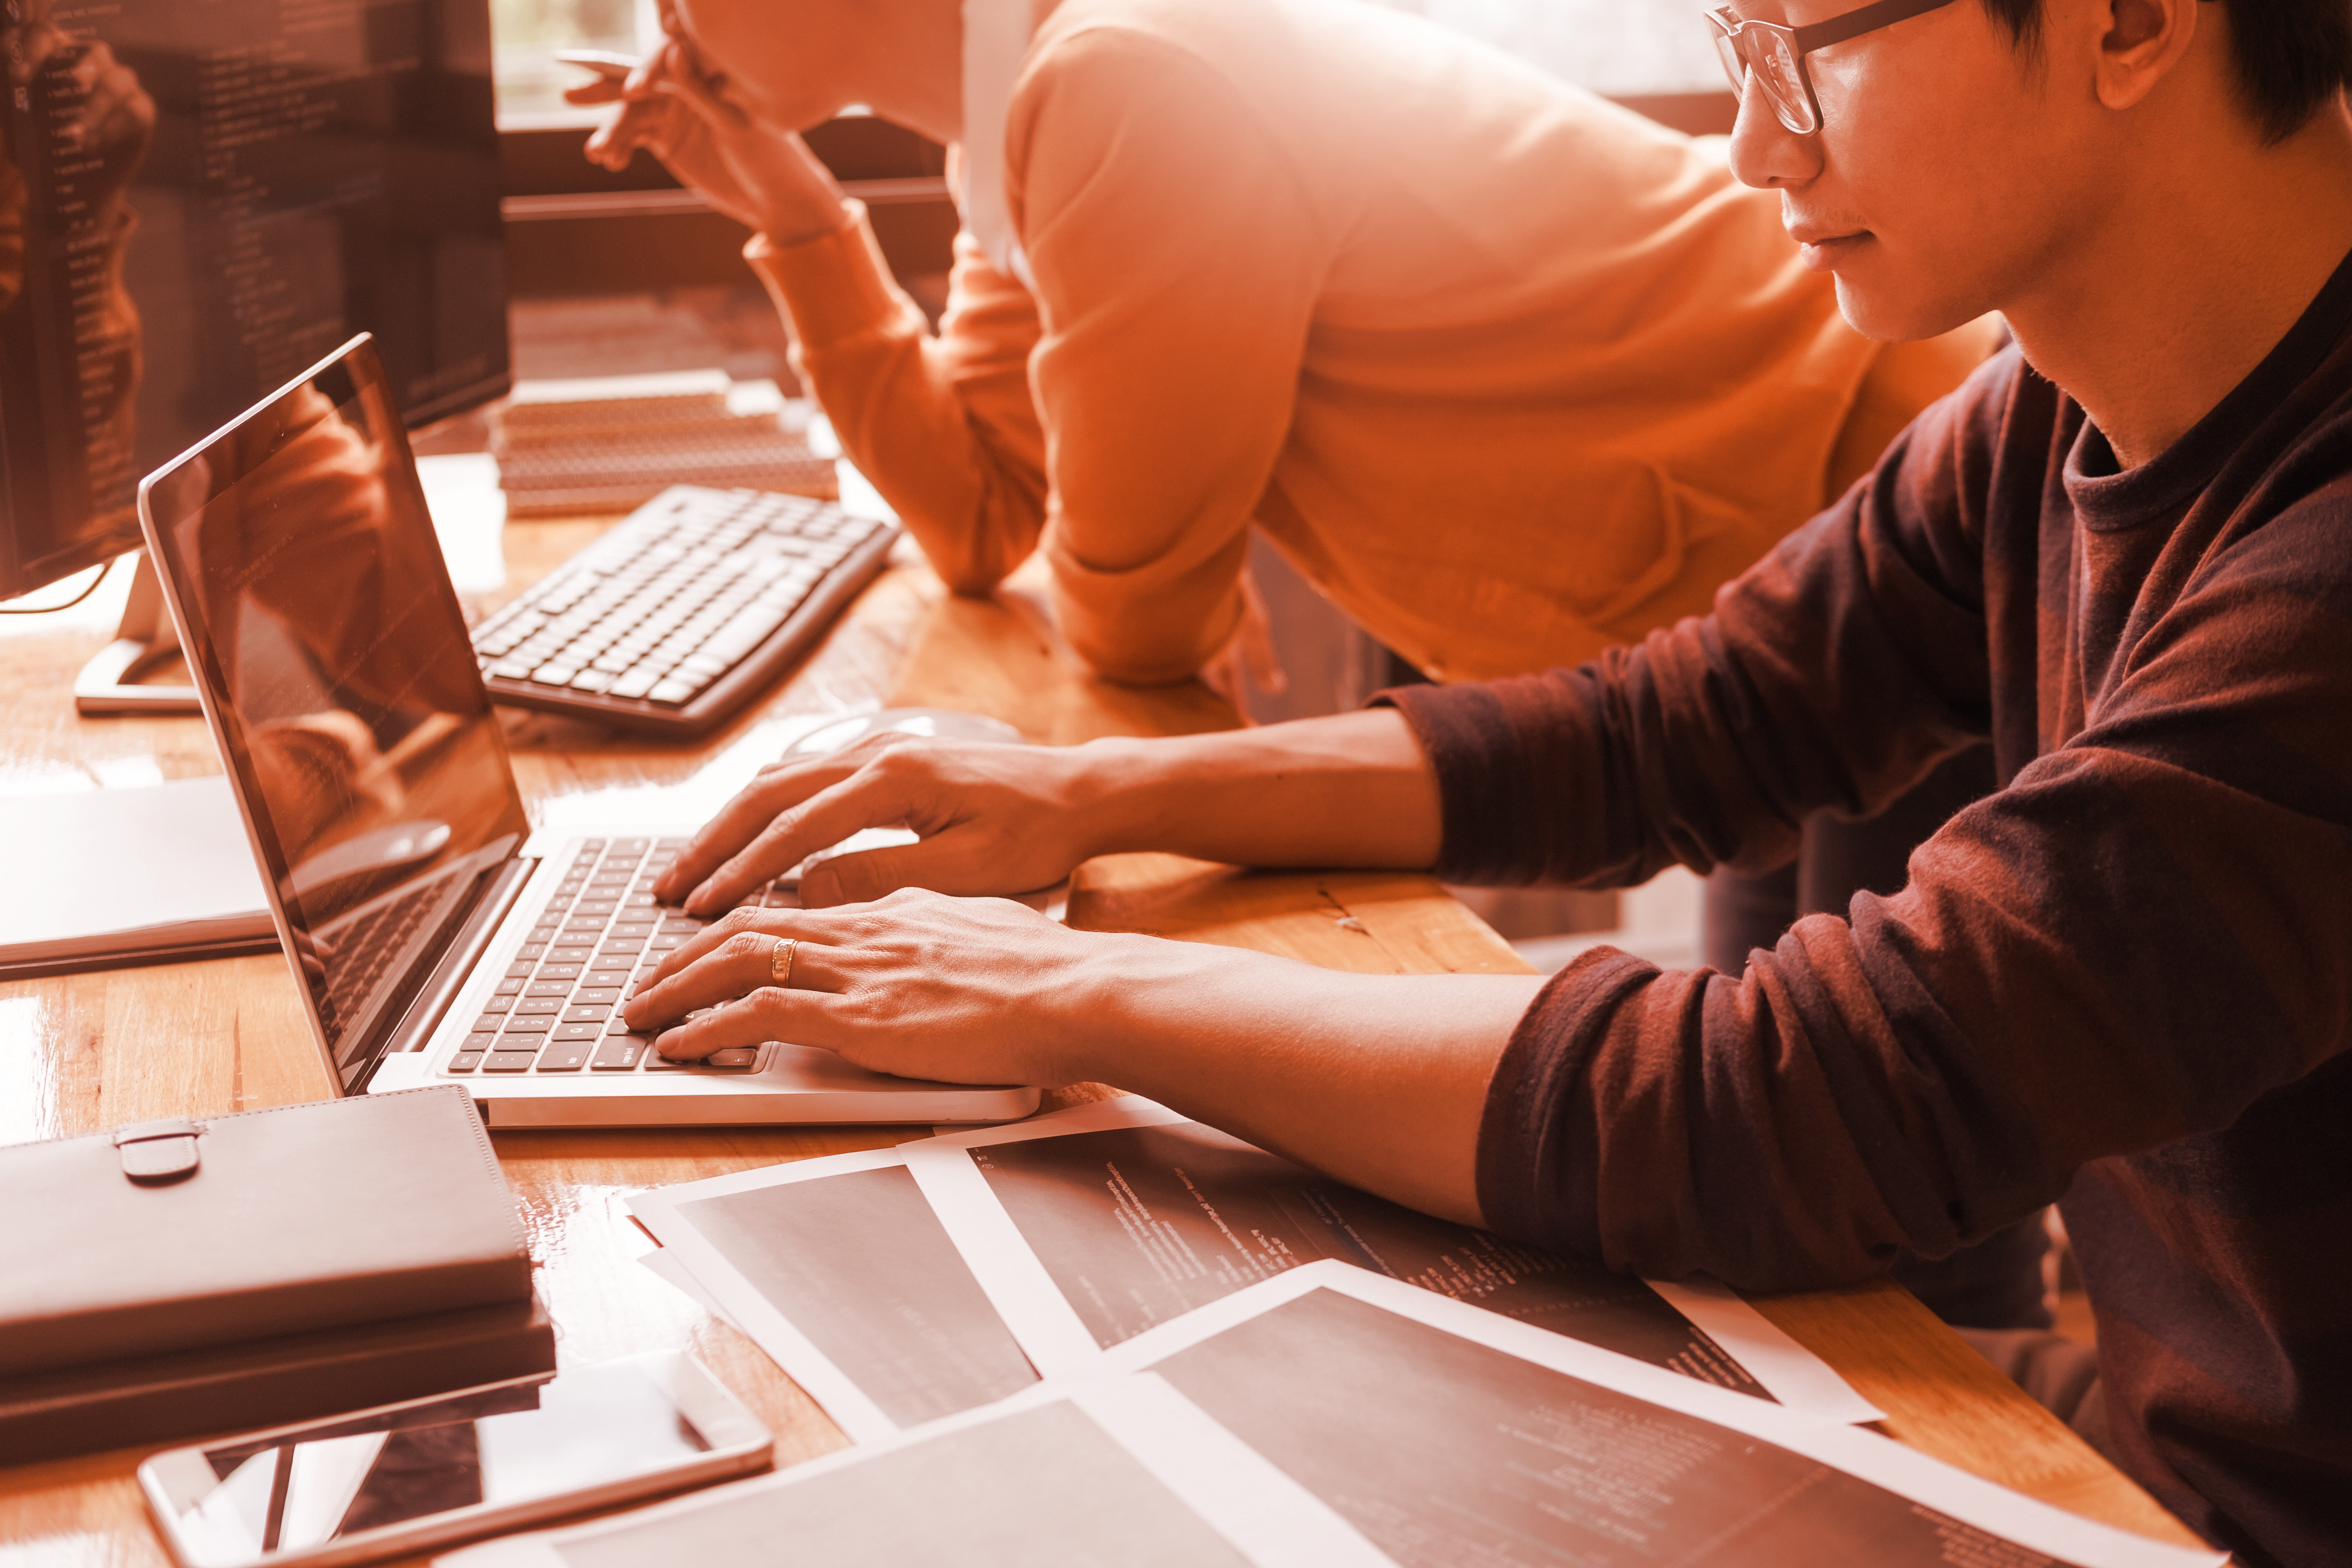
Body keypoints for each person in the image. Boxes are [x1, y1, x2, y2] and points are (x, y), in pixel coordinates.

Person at [617, 0, 2352, 1558]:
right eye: (1733, 46)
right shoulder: (2051, 414)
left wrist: (1076, 986)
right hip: (2158, 1432)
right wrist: (1097, 801)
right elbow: (1672, 724)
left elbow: (1795, 1095)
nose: (1753, 145)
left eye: (1804, 47)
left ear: (2131, 20)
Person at [575, 0, 1998, 692]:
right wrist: (799, 216)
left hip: (1865, 466)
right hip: (1753, 553)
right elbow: (983, 516)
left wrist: (1141, 560)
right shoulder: (1027, 116)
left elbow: (1137, 620)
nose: (663, 20)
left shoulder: (1122, 80)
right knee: (1886, 1166)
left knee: (1919, 1143)